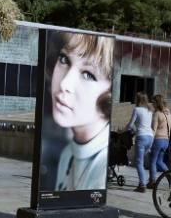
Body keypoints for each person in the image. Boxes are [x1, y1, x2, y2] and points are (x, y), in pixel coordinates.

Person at [46, 32, 114, 191]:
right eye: (64, 59)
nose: (65, 84)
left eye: (88, 74)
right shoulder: (67, 154)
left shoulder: (102, 164)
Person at [125, 91, 154, 192]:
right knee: (140, 162)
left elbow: (130, 124)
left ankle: (142, 185)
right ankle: (144, 182)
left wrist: (123, 130)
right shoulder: (150, 111)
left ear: (137, 100)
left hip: (141, 137)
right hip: (150, 137)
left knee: (139, 163)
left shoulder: (137, 109)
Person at [150, 94, 171, 187]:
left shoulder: (157, 114)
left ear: (157, 103)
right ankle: (169, 175)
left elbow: (153, 130)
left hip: (158, 140)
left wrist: (150, 142)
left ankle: (152, 182)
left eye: (153, 102)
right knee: (160, 161)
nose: (152, 104)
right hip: (166, 140)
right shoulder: (168, 113)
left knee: (153, 161)